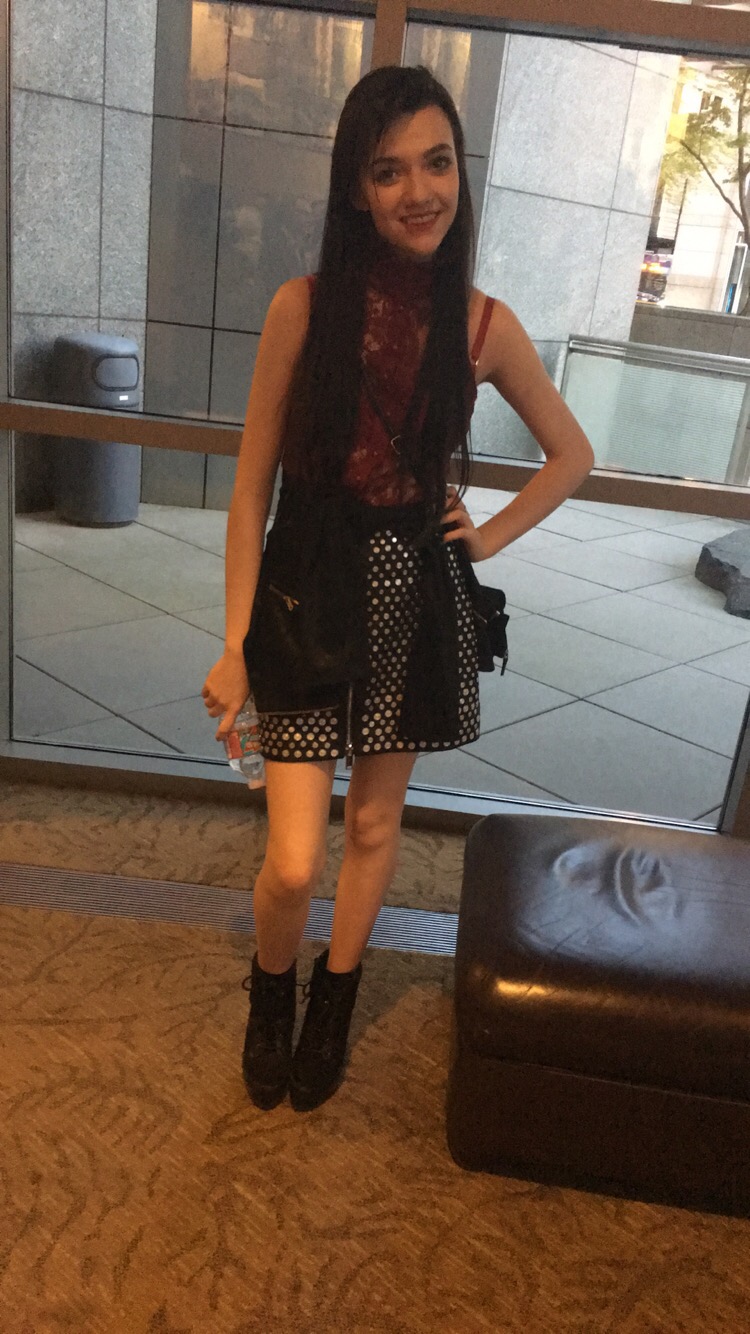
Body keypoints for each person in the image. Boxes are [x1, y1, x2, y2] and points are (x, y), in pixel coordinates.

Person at [201, 64, 595, 1113]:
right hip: (304, 588)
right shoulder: (302, 307)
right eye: (389, 171)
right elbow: (249, 493)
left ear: (460, 171)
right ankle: (271, 989)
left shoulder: (483, 325)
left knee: (375, 829)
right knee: (293, 859)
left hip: (411, 593)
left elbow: (571, 453)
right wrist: (233, 642)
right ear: (356, 187)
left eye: (437, 162)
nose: (419, 191)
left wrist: (487, 535)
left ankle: (335, 996)